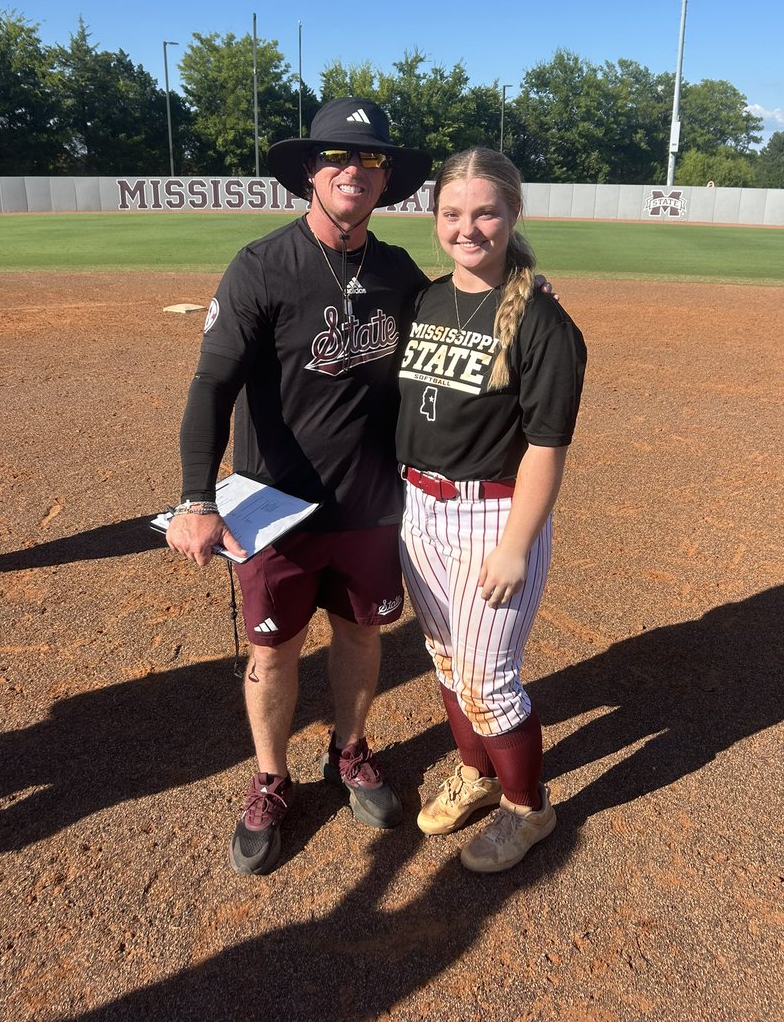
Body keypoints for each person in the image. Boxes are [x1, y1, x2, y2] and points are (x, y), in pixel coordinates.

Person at [166, 97, 432, 876]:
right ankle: (272, 777)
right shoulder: (262, 266)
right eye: (337, 158)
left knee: (361, 634)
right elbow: (211, 385)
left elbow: (461, 325)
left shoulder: (396, 273)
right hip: (274, 507)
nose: (354, 170)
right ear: (311, 172)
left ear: (385, 181)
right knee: (272, 650)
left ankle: (350, 752)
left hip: (370, 505)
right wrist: (194, 498)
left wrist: (524, 294)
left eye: (371, 160)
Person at [395, 146, 587, 874]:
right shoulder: (427, 297)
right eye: (453, 213)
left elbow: (545, 447)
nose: (467, 227)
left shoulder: (544, 323)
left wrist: (516, 545)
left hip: (490, 519)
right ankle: (476, 777)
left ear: (512, 215)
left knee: (489, 682)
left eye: (485, 212)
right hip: (420, 509)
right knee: (445, 661)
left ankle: (527, 810)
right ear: (434, 217)